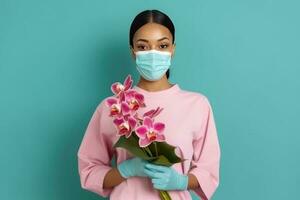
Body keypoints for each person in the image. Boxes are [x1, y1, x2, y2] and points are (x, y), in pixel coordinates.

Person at [77, 9, 221, 200]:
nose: (153, 54)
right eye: (143, 47)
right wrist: (126, 170)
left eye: (162, 45)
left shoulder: (197, 105)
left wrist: (181, 182)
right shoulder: (114, 107)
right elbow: (89, 170)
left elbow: (208, 170)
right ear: (133, 52)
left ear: (172, 50)